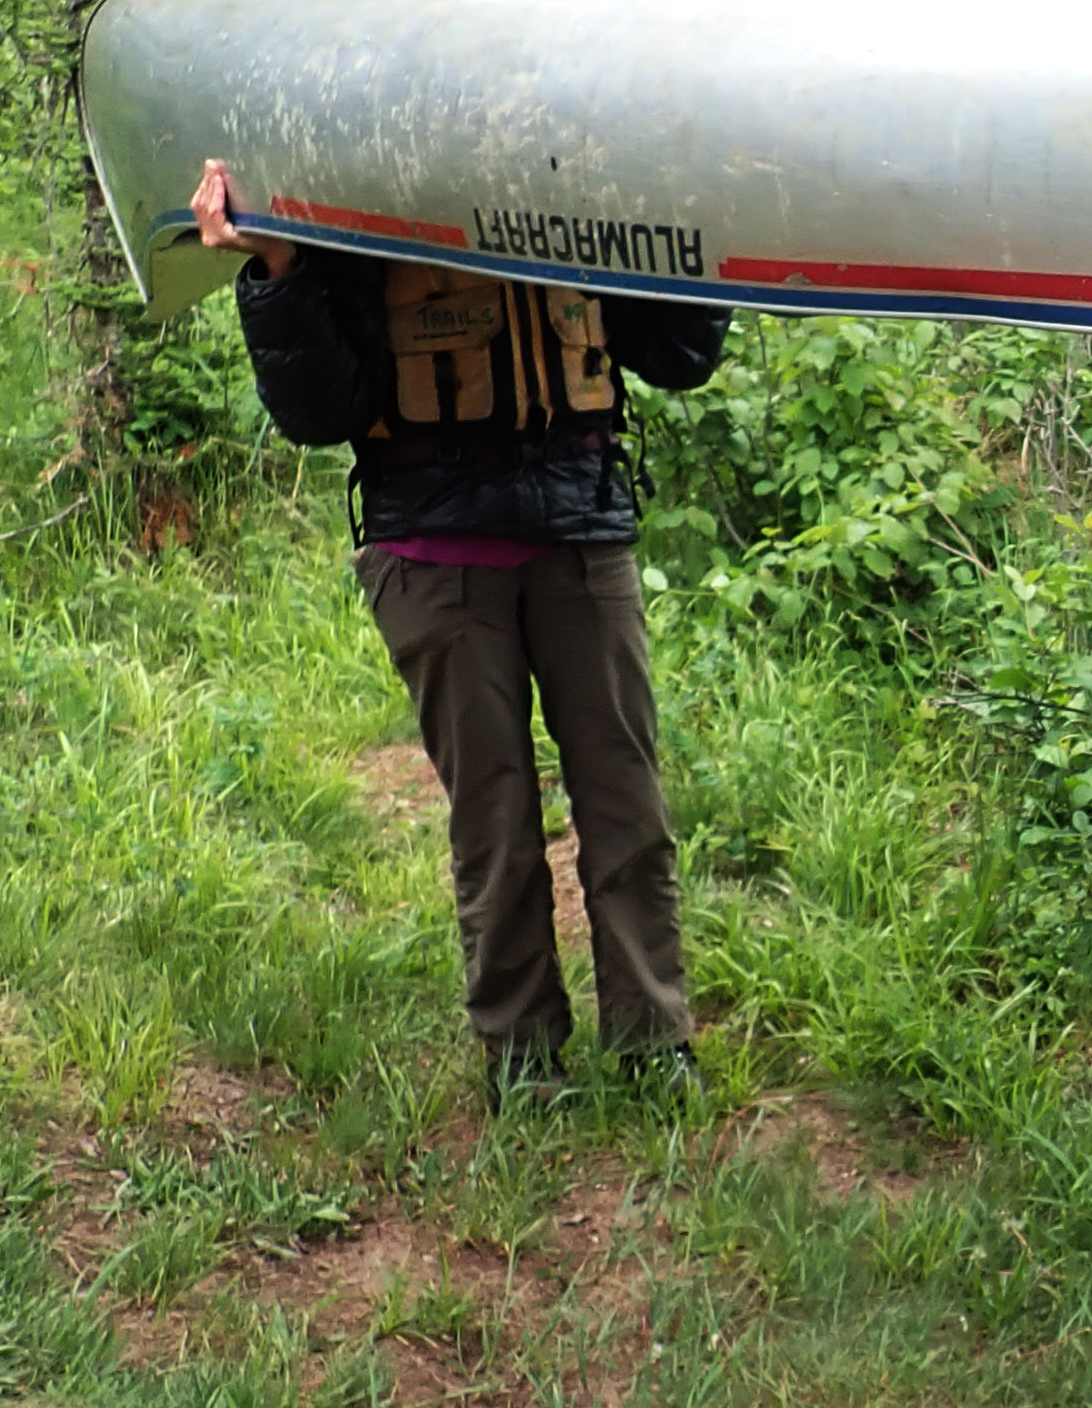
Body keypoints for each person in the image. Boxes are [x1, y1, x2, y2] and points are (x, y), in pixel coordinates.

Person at [192, 160, 731, 1104]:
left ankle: (654, 1044)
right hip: (434, 544)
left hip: (580, 527)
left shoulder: (586, 174)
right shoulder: (362, 174)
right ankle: (521, 1056)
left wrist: (692, 205)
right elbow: (321, 412)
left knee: (626, 804)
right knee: (494, 815)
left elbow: (679, 355)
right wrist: (277, 267)